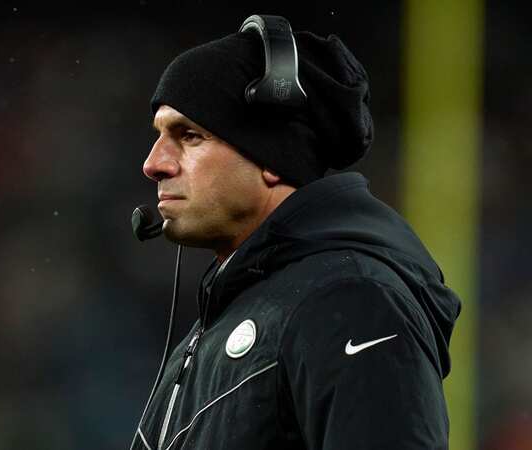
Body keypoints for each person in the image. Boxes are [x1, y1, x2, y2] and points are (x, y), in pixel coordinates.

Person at [130, 15, 461, 450]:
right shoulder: (234, 316)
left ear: (273, 156)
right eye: (159, 135)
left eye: (189, 135)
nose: (154, 163)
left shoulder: (351, 299)